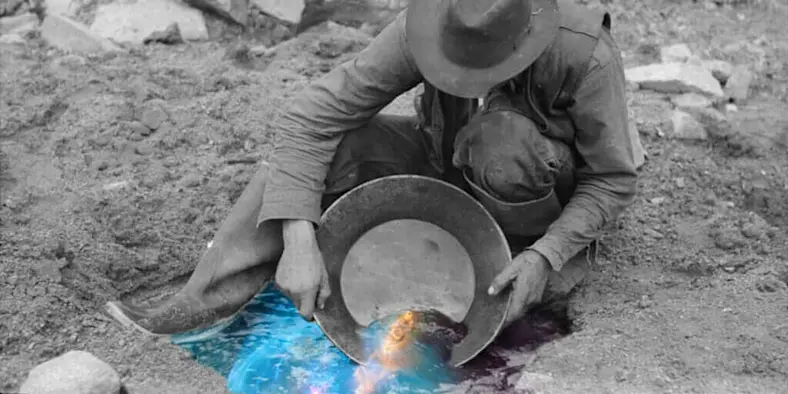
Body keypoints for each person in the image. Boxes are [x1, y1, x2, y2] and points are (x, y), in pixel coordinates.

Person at [105, 0, 638, 336]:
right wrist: (298, 240)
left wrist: (547, 256)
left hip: (533, 191)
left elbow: (612, 179)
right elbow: (309, 118)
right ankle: (204, 302)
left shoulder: (583, 53)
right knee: (335, 147)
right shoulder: (431, 24)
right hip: (445, 158)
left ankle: (501, 259)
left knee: (500, 140)